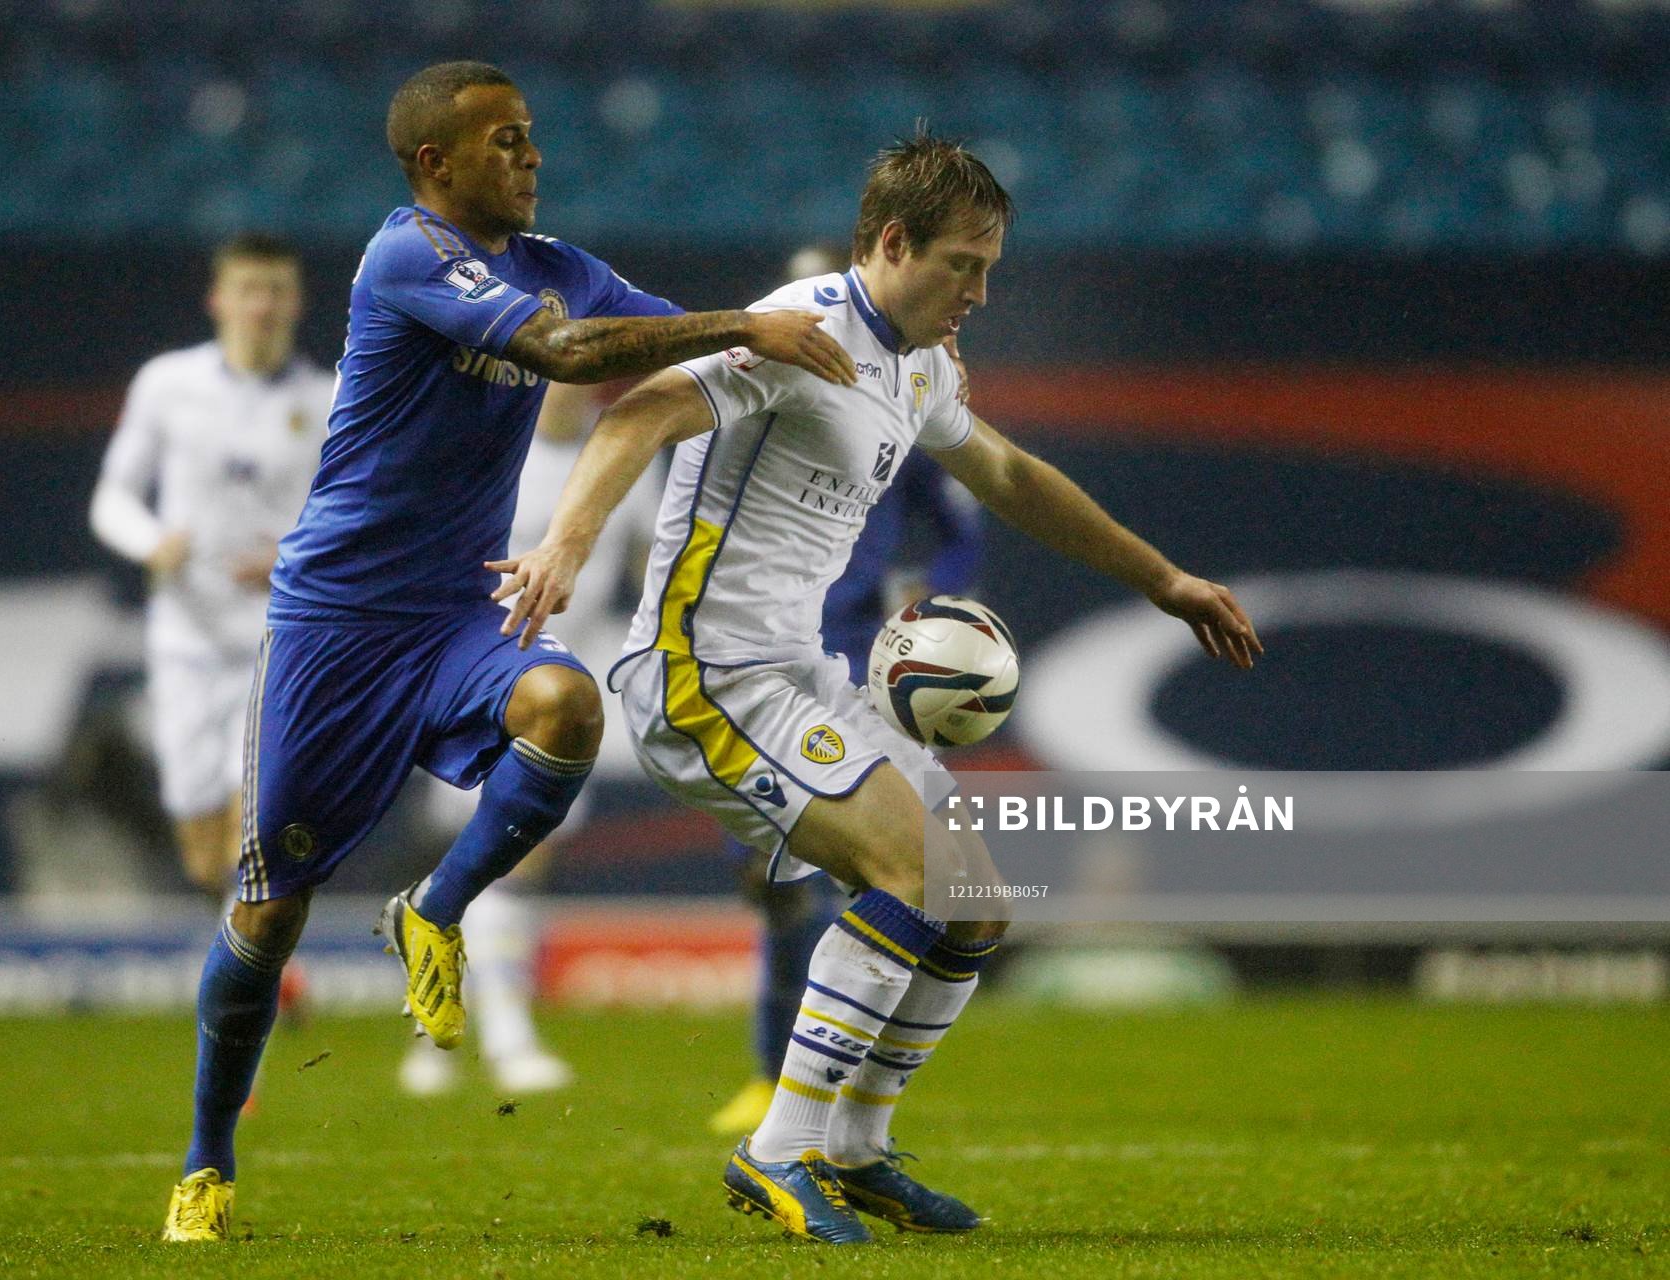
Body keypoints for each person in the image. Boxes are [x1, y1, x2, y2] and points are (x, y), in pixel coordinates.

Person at [491, 132, 1262, 1244]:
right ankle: (780, 1147)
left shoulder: (920, 364)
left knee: (975, 902)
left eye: (990, 268)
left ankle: (851, 1149)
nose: (980, 293)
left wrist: (1163, 578)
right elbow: (635, 412)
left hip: (802, 671)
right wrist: (565, 546)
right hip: (703, 676)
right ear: (893, 242)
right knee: (907, 874)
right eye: (963, 264)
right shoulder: (798, 326)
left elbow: (1007, 473)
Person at [161, 60, 857, 1242]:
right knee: (268, 909)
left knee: (565, 706)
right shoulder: (406, 258)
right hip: (334, 626)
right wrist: (748, 321)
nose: (532, 157)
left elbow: (654, 346)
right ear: (436, 163)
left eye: (532, 139)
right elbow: (580, 352)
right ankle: (206, 1161)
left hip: (453, 619)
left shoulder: (555, 261)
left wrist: (796, 353)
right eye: (506, 141)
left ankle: (433, 909)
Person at [710, 246, 984, 1137]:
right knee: (785, 881)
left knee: (920, 878)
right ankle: (774, 1084)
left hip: (864, 654)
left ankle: (840, 1115)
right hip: (763, 654)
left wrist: (931, 594)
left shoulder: (900, 400)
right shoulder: (762, 383)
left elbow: (961, 526)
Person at [399, 381, 661, 1099]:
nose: (572, 385)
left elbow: (649, 567)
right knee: (492, 861)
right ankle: (495, 1037)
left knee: (514, 863)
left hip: (563, 687)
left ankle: (443, 1036)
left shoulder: (621, 452)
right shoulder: (487, 450)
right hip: (476, 678)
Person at [90, 233, 333, 907]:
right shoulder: (168, 385)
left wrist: (296, 553)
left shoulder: (330, 399)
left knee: (252, 821)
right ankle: (249, 952)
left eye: (277, 290)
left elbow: (364, 515)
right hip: (186, 636)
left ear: (297, 302)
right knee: (202, 852)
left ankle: (254, 987)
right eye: (250, 289)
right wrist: (151, 541)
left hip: (276, 636)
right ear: (218, 299)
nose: (264, 304)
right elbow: (111, 498)